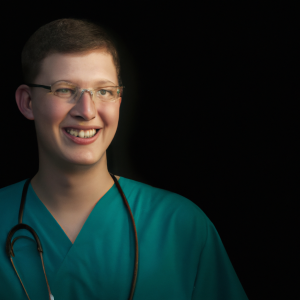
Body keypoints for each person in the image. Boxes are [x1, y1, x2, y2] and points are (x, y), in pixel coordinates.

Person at [0, 18, 249, 300]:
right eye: (65, 89)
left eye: (103, 91)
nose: (87, 110)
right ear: (28, 102)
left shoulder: (180, 225)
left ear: (118, 102)